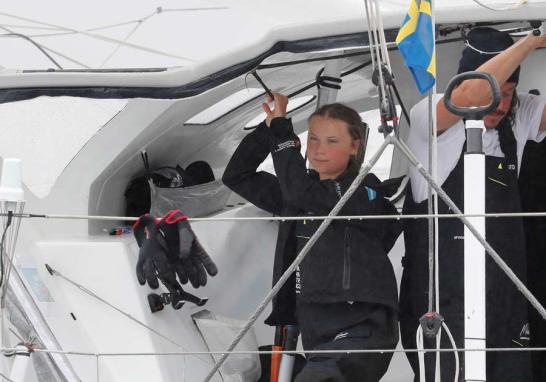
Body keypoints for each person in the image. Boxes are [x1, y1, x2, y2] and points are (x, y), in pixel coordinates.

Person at [222, 93, 402, 381]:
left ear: (355, 146)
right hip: (316, 329)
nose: (318, 150)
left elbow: (300, 191)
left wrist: (282, 130)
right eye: (313, 139)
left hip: (362, 328)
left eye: (332, 141)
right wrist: (268, 129)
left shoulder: (364, 194)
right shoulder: (302, 197)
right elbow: (237, 176)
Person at [400, 27, 546, 381]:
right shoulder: (429, 116)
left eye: (509, 94)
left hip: (505, 300)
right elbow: (468, 97)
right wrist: (532, 41)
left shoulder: (519, 119)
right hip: (442, 301)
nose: (499, 104)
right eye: (495, 93)